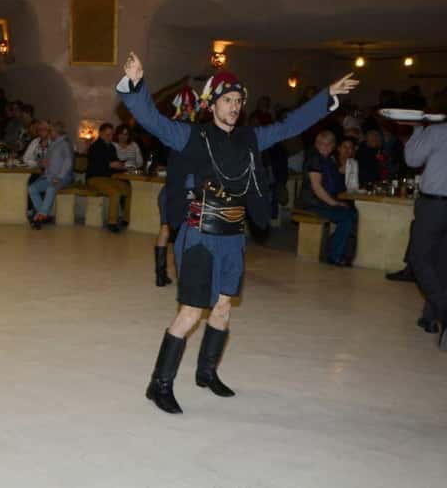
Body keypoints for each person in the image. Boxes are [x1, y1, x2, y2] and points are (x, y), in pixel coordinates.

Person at [117, 52, 358, 414]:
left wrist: (327, 97)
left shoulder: (250, 138)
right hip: (199, 234)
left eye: (238, 101)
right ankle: (159, 384)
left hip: (232, 235)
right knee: (191, 312)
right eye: (227, 100)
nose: (234, 106)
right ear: (213, 103)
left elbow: (290, 126)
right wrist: (136, 85)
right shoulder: (191, 135)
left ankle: (206, 372)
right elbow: (152, 120)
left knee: (224, 306)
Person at [404, 114, 447, 350]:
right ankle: (430, 317)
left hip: (435, 205)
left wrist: (418, 129)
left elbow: (412, 159)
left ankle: (443, 308)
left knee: (418, 258)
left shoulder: (438, 131)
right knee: (441, 262)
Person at [154, 86, 200, 288]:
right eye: (188, 106)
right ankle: (181, 277)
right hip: (181, 193)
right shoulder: (193, 133)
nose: (189, 109)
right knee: (182, 234)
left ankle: (161, 275)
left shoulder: (170, 130)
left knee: (168, 230)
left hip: (170, 191)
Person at [298, 130, 358, 266]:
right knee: (346, 218)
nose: (324, 147)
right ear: (316, 144)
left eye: (328, 144)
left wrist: (342, 172)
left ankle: (335, 246)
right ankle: (334, 255)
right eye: (321, 143)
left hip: (322, 202)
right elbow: (317, 187)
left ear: (333, 146)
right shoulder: (314, 159)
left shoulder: (328, 160)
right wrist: (335, 203)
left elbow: (334, 183)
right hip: (311, 204)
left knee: (354, 214)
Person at [86, 123, 131, 233]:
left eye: (111, 135)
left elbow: (115, 162)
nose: (110, 137)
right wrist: (110, 165)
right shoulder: (94, 147)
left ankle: (126, 219)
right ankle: (112, 222)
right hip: (95, 178)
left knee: (128, 189)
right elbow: (95, 166)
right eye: (107, 134)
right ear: (101, 133)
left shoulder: (111, 147)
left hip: (109, 178)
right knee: (115, 192)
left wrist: (121, 166)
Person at [28, 122, 74, 228]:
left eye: (51, 131)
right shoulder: (54, 143)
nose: (49, 133)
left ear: (56, 132)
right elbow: (46, 159)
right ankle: (44, 214)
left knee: (51, 189)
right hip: (49, 176)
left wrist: (59, 177)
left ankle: (40, 216)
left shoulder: (65, 143)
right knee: (32, 188)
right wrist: (41, 162)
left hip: (63, 177)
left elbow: (68, 162)